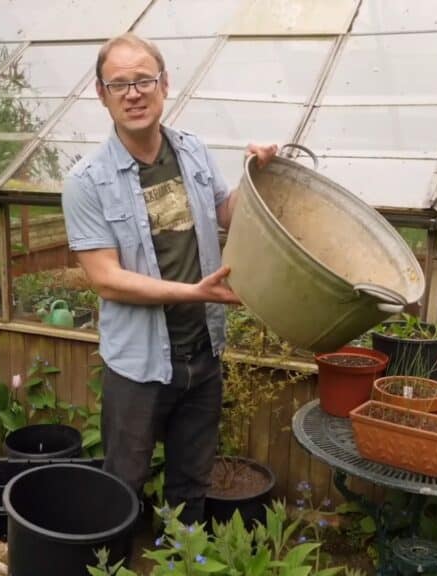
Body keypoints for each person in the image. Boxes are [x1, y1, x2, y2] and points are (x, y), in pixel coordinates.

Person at [61, 32, 277, 527]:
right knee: (123, 480)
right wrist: (195, 292)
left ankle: (182, 560)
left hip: (202, 355)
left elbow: (225, 213)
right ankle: (110, 557)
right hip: (138, 365)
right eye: (119, 84)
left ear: (164, 84)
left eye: (143, 80)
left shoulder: (193, 152)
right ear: (102, 94)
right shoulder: (86, 181)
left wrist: (256, 177)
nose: (133, 93)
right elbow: (106, 279)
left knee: (191, 482)